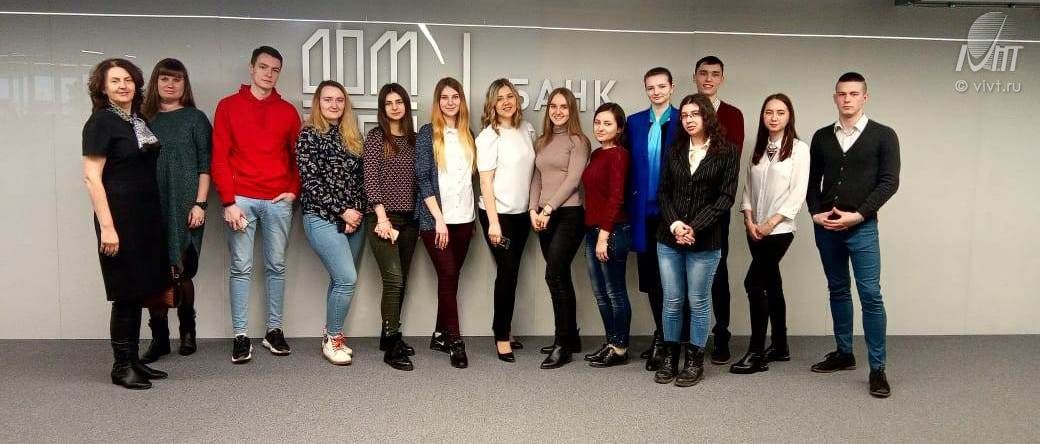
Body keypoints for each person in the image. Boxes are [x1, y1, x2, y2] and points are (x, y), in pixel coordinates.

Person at [806, 72, 900, 398]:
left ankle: (878, 369)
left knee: (870, 294)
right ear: (835, 97)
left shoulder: (883, 135)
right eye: (842, 94)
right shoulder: (822, 137)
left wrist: (859, 215)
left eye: (854, 94)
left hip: (861, 226)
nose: (847, 99)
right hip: (827, 227)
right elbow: (810, 180)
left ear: (865, 97)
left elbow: (889, 182)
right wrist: (815, 213)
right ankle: (844, 353)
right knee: (837, 289)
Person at [82, 58, 169, 389]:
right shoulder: (100, 123)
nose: (123, 86)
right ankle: (121, 367)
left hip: (145, 217)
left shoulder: (137, 120)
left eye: (128, 80)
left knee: (139, 289)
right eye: (115, 81)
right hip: (119, 218)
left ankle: (134, 361)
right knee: (125, 293)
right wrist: (107, 227)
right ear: (103, 88)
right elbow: (92, 178)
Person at [212, 46, 302, 364]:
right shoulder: (228, 106)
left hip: (277, 200)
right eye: (263, 67)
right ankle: (240, 335)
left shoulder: (288, 112)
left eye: (275, 69)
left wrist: (293, 190)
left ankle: (273, 330)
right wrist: (228, 201)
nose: (269, 74)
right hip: (241, 200)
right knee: (241, 267)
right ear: (251, 68)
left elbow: (299, 157)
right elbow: (219, 156)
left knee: (276, 266)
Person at [653, 94, 738, 387]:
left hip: (706, 241)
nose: (689, 120)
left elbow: (726, 197)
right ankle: (670, 358)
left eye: (695, 114)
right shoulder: (675, 149)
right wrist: (676, 225)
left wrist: (694, 227)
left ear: (707, 117)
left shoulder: (727, 151)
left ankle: (694, 361)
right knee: (672, 301)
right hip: (669, 238)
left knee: (698, 302)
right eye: (685, 115)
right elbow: (663, 192)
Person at [138, 58, 211, 364]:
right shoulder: (143, 120)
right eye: (165, 78)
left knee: (182, 270)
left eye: (177, 79)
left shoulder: (195, 118)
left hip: (186, 205)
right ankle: (159, 339)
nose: (170, 84)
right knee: (154, 272)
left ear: (185, 84)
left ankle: (188, 332)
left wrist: (200, 204)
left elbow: (206, 166)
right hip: (151, 205)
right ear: (155, 82)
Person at [730, 94, 809, 375]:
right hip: (755, 229)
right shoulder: (760, 148)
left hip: (779, 230)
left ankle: (756, 353)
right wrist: (749, 219)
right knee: (772, 284)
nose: (774, 117)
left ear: (789, 116)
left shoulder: (799, 149)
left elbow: (798, 193)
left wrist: (771, 223)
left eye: (780, 112)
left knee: (754, 283)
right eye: (769, 112)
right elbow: (748, 188)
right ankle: (780, 345)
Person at [297, 80, 367, 366]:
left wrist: (355, 214)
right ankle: (334, 338)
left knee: (340, 280)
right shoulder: (309, 135)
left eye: (339, 99)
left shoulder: (353, 136)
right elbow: (311, 182)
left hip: (354, 221)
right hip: (320, 217)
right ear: (318, 102)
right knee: (347, 279)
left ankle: (330, 336)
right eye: (328, 99)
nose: (334, 104)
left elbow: (362, 180)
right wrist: (342, 212)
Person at [415, 77, 477, 369]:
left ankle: (440, 335)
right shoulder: (427, 133)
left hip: (465, 218)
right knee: (449, 274)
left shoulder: (469, 134)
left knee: (450, 279)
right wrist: (439, 219)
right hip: (436, 220)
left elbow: (468, 180)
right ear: (437, 102)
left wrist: (472, 218)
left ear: (461, 101)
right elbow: (423, 178)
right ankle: (456, 342)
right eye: (444, 97)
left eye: (455, 97)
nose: (450, 102)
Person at [622, 67, 682, 371]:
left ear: (672, 87)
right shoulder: (634, 122)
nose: (656, 92)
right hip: (642, 212)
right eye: (650, 87)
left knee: (672, 280)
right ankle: (661, 335)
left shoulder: (684, 119)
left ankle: (672, 340)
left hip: (673, 214)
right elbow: (626, 166)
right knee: (651, 279)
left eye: (661, 86)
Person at [475, 78, 536, 363]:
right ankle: (501, 336)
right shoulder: (488, 136)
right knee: (507, 273)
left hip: (522, 214)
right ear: (492, 104)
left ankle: (506, 329)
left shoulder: (527, 129)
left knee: (512, 273)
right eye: (499, 98)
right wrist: (494, 223)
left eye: (510, 96)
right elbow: (485, 183)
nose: (506, 102)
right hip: (497, 214)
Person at [530, 88, 590, 369]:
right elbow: (536, 178)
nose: (557, 111)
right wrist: (533, 210)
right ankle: (569, 336)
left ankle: (562, 344)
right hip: (544, 216)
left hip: (568, 214)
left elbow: (573, 180)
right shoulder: (542, 141)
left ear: (571, 110)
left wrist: (548, 209)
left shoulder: (579, 141)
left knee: (554, 275)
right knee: (561, 276)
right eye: (553, 106)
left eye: (563, 107)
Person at [693, 55, 745, 364]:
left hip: (716, 208)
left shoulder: (733, 115)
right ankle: (690, 338)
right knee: (687, 273)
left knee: (717, 271)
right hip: (685, 208)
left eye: (714, 74)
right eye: (703, 73)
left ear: (722, 79)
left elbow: (730, 160)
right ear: (695, 77)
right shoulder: (687, 111)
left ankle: (721, 333)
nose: (708, 78)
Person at [364, 82, 419, 371]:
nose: (395, 107)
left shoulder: (414, 139)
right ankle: (393, 343)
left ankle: (388, 337)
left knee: (402, 280)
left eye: (399, 102)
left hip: (410, 221)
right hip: (382, 219)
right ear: (383, 109)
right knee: (394, 279)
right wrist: (382, 217)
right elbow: (370, 180)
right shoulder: (376, 138)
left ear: (406, 106)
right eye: (389, 103)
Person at [581, 102, 632, 368]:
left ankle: (620, 347)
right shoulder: (597, 154)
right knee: (601, 292)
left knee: (615, 292)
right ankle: (611, 342)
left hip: (611, 232)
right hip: (592, 230)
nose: (600, 128)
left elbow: (616, 198)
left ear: (619, 128)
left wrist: (604, 235)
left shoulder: (619, 155)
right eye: (598, 123)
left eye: (607, 123)